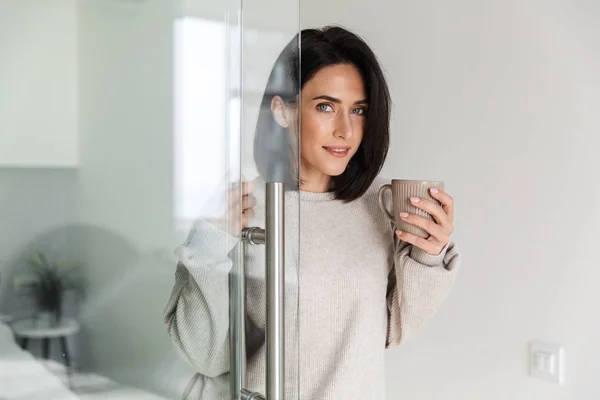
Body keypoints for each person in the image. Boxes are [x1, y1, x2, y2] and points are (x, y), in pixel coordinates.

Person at [164, 26, 461, 399]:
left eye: (359, 110)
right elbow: (208, 358)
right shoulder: (244, 208)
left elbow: (388, 331)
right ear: (281, 110)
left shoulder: (379, 205)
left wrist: (427, 256)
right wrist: (209, 244)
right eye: (325, 106)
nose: (346, 129)